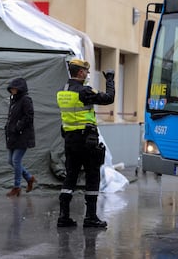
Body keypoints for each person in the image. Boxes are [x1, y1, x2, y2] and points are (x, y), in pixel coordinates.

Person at [56, 58, 115, 228]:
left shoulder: (62, 91)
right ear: (80, 73)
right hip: (87, 140)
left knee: (70, 176)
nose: (87, 75)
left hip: (69, 140)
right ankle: (90, 217)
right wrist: (110, 80)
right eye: (86, 72)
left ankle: (63, 216)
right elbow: (109, 98)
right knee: (92, 176)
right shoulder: (85, 92)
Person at [5, 78, 36, 197]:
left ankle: (17, 187)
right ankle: (29, 178)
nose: (12, 90)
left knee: (16, 160)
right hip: (13, 135)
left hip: (22, 135)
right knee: (11, 161)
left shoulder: (26, 100)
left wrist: (18, 127)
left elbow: (29, 116)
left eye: (14, 88)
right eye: (11, 88)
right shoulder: (14, 100)